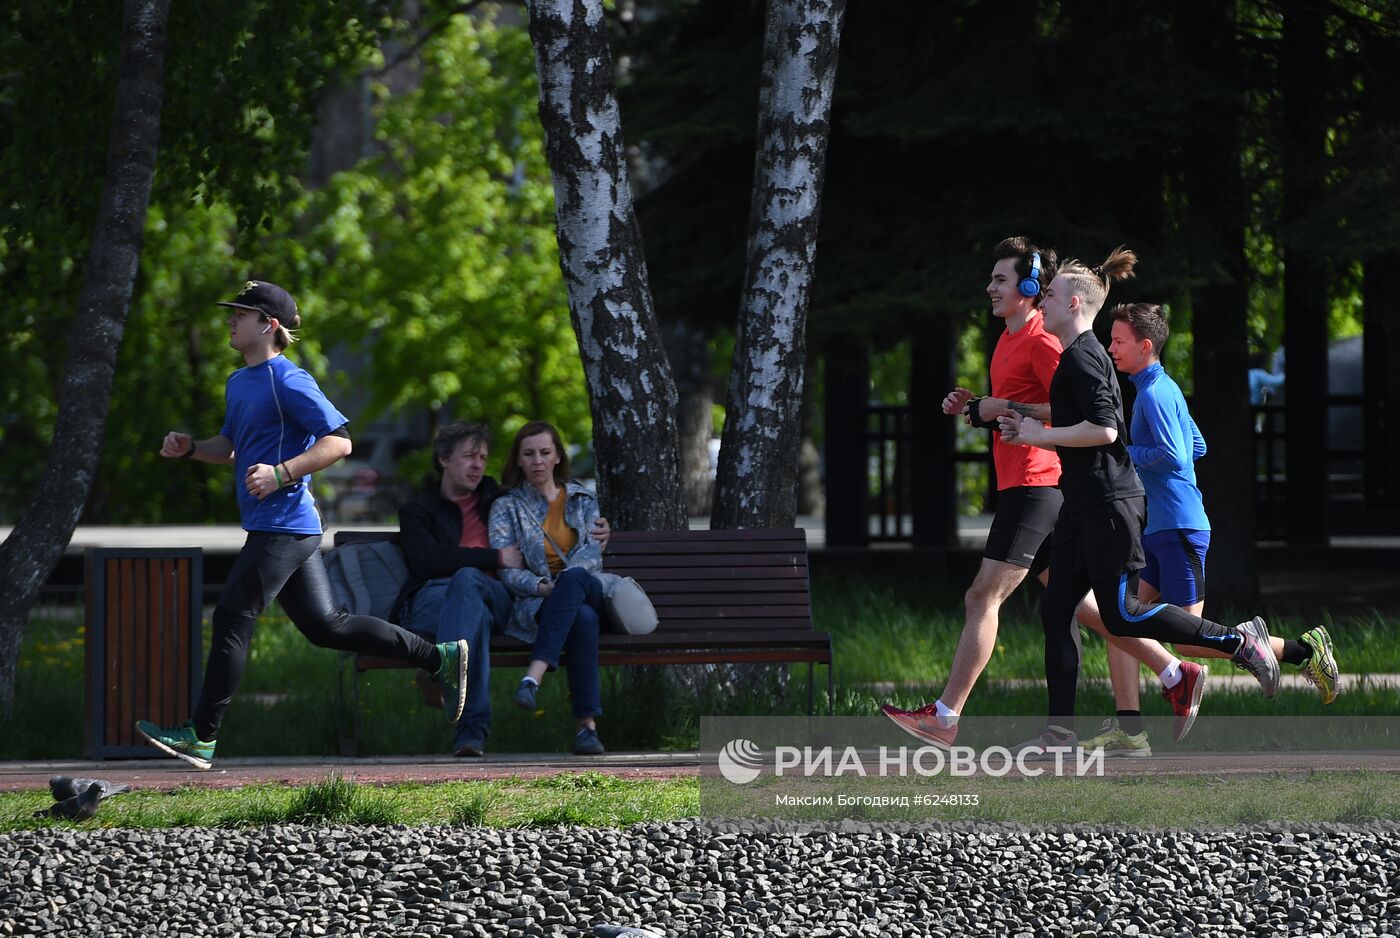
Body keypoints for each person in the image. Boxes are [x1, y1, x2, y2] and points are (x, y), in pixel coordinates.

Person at [136, 280, 468, 770]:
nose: (230, 320)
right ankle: (436, 656)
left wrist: (281, 473)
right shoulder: (238, 381)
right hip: (282, 526)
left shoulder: (288, 380)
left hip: (285, 524)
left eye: (240, 314)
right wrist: (191, 448)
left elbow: (340, 443)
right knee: (326, 626)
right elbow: (229, 447)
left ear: (268, 325)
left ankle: (201, 736)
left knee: (231, 616)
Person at [882, 238, 1197, 751]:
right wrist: (976, 406)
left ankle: (944, 716)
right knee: (1082, 607)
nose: (990, 287)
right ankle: (1171, 672)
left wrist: (1004, 405)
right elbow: (1030, 407)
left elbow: (1077, 413)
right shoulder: (1008, 340)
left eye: (1001, 280)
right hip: (1028, 484)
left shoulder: (1043, 339)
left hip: (1039, 484)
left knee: (982, 595)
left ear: (1031, 290)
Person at [998, 248, 1287, 752]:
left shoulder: (1085, 355)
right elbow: (1080, 416)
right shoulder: (1076, 356)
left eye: (1051, 293)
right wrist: (1016, 415)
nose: (1041, 296)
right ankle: (1059, 732)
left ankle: (1237, 642)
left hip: (1110, 504)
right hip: (1082, 504)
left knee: (1123, 615)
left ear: (1074, 304)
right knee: (1057, 607)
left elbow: (1106, 429)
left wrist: (1034, 435)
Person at [1081, 305, 1340, 755]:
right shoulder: (1163, 389)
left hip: (1178, 528)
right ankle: (1129, 728)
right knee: (1118, 621)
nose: (1109, 348)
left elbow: (1177, 457)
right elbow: (1197, 444)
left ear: (1145, 346)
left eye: (1118, 341)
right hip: (1159, 529)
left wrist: (1120, 451)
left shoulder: (1155, 395)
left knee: (1190, 639)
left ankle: (1302, 651)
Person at [396, 420, 611, 757]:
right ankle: (472, 729)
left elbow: (542, 505)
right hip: (440, 597)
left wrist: (599, 531)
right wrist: (495, 556)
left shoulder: (495, 497)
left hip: (498, 598)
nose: (478, 465)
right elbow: (426, 560)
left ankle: (451, 683)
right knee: (471, 593)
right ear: (444, 460)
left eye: (482, 457)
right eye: (468, 456)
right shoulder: (419, 510)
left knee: (473, 588)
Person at [489, 420, 608, 756]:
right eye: (529, 454)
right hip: (539, 602)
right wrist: (542, 588)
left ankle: (534, 676)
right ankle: (586, 729)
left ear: (557, 456)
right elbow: (508, 571)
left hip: (588, 589)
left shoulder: (582, 499)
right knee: (581, 620)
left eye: (545, 452)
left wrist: (565, 583)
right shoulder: (507, 506)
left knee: (576, 583)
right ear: (519, 460)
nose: (537, 461)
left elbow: (591, 557)